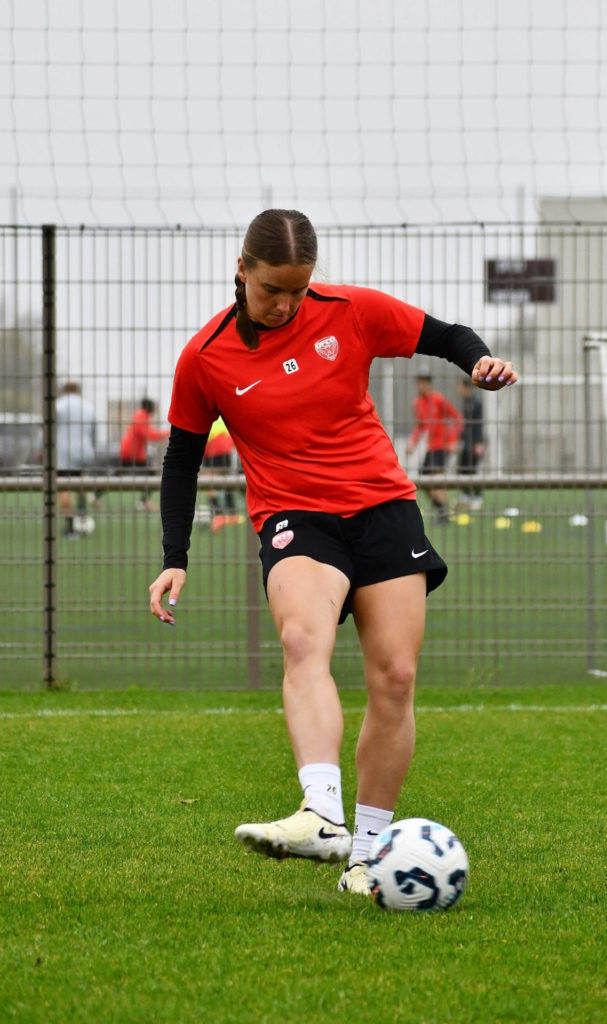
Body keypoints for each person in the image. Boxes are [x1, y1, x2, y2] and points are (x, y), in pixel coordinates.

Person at [148, 209, 517, 896]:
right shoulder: (206, 357)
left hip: (382, 506)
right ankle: (321, 811)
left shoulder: (351, 311)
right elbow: (181, 460)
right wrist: (176, 554)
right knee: (301, 639)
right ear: (242, 271)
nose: (285, 305)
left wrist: (479, 362)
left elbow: (447, 335)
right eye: (271, 290)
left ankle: (367, 858)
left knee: (396, 676)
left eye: (297, 290)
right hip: (295, 516)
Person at [406, 369, 463, 524]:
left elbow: (457, 418)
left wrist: (453, 439)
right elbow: (420, 426)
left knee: (438, 479)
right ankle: (442, 509)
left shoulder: (439, 399)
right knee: (422, 481)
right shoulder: (417, 403)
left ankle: (442, 514)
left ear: (428, 384)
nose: (419, 386)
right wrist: (412, 443)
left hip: (442, 446)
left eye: (422, 383)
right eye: (418, 383)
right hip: (430, 447)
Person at [55, 380, 97, 539]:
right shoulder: (89, 407)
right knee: (80, 481)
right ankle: (82, 514)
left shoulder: (58, 406)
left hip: (63, 453)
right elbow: (94, 432)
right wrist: (92, 449)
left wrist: (41, 449)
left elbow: (46, 429)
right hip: (84, 451)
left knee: (63, 488)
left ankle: (71, 527)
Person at [119, 398, 170, 511]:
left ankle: (96, 494)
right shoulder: (142, 416)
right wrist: (166, 433)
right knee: (151, 474)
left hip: (130, 451)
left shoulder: (141, 415)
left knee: (119, 474)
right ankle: (143, 501)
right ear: (149, 407)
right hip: (132, 452)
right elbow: (148, 434)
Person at [202, 417, 240, 532]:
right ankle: (232, 512)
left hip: (212, 447)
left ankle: (218, 514)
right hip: (223, 447)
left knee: (209, 484)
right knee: (225, 481)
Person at [456, 377, 486, 511]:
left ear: (466, 387)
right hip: (467, 440)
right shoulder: (466, 401)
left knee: (473, 470)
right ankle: (466, 496)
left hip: (475, 441)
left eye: (460, 386)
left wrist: (479, 442)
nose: (458, 389)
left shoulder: (476, 401)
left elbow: (478, 424)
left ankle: (478, 498)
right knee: (463, 468)